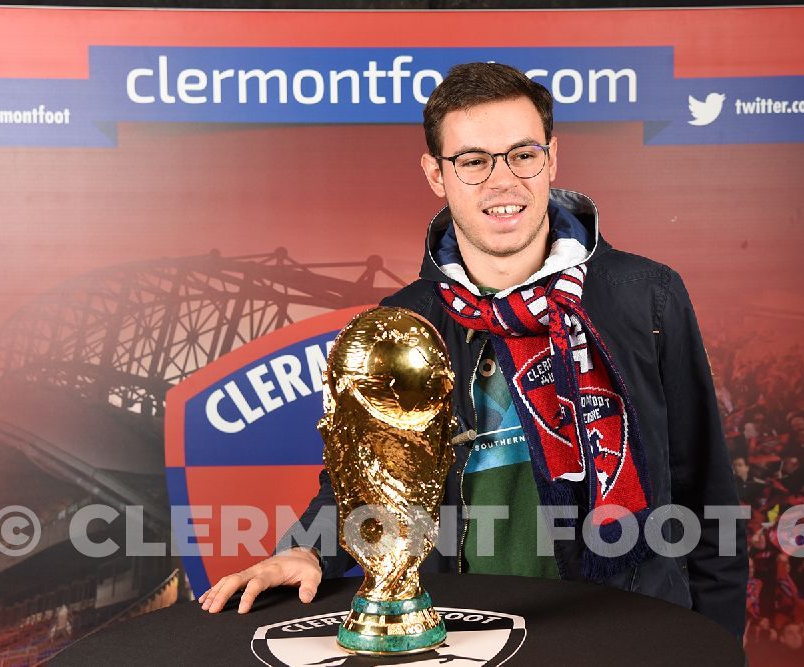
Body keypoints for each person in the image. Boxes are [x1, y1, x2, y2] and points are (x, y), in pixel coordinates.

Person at [198, 62, 747, 638]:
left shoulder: (647, 298)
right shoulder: (402, 321)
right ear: (436, 174)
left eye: (522, 154)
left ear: (551, 158)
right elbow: (367, 476)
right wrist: (306, 551)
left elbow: (705, 487)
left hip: (620, 626)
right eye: (472, 160)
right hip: (461, 630)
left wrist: (715, 642)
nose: (502, 181)